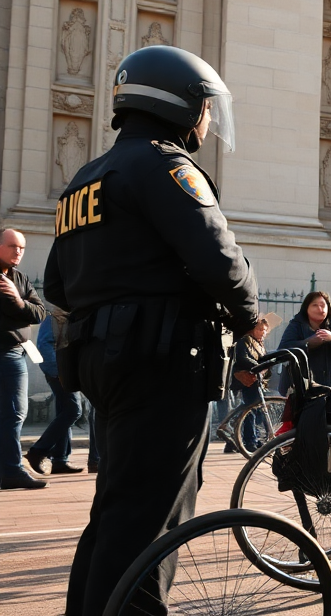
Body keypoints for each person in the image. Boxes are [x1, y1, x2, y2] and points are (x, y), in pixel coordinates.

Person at [45, 45, 258, 614]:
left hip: (102, 360)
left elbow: (57, 286)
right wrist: (248, 318)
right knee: (153, 517)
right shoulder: (167, 166)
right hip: (162, 359)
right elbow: (221, 260)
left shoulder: (85, 181)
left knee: (115, 509)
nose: (209, 120)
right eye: (206, 108)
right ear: (181, 104)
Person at [0, 229, 46, 491]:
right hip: (6, 352)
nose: (18, 251)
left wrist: (17, 302)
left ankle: (9, 470)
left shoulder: (20, 278)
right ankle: (12, 471)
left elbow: (39, 312)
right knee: (16, 412)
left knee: (12, 413)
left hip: (17, 351)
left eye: (22, 248)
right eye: (13, 246)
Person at [26, 312, 80, 479]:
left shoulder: (70, 315)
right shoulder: (55, 317)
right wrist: (58, 372)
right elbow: (43, 344)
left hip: (67, 371)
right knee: (73, 410)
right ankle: (38, 450)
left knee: (64, 411)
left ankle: (60, 459)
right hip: (59, 372)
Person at [278, 291, 331, 394]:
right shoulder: (296, 324)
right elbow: (283, 349)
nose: (320, 309)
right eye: (315, 305)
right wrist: (308, 343)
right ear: (307, 308)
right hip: (301, 389)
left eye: (323, 305)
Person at [227, 316, 275, 453]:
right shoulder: (245, 340)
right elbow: (243, 358)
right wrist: (259, 366)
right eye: (259, 329)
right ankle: (249, 441)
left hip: (255, 381)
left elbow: (262, 358)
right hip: (246, 380)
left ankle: (242, 439)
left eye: (265, 330)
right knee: (250, 411)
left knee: (253, 410)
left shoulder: (259, 343)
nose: (262, 332)